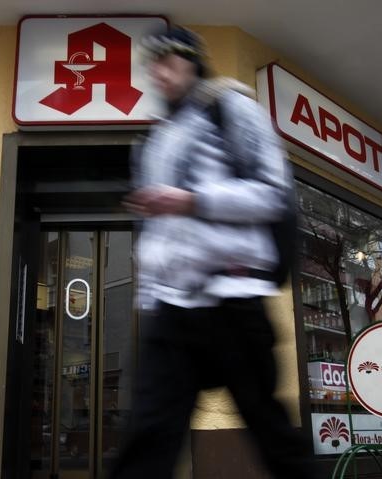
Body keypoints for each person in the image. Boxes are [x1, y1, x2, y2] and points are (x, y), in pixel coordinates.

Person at [110, 27, 315, 478]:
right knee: (147, 436)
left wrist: (191, 200)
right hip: (172, 311)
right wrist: (148, 302)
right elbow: (154, 234)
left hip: (233, 298)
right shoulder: (154, 140)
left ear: (192, 62)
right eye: (153, 64)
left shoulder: (231, 107)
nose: (159, 72)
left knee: (273, 437)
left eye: (170, 61)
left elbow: (272, 193)